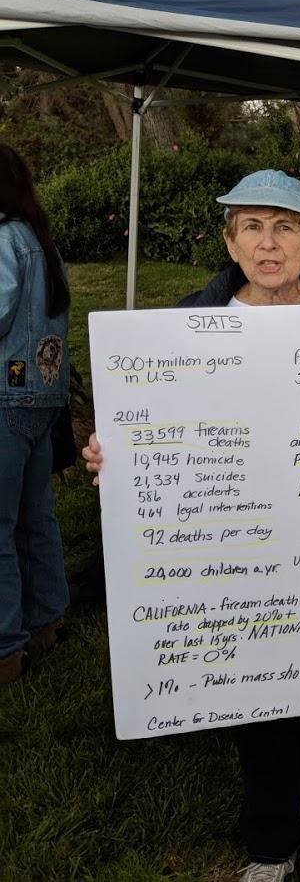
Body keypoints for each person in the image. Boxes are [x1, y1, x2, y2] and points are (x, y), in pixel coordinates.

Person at [84, 170, 300, 882]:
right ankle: (270, 842)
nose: (269, 243)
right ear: (230, 241)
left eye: (285, 227)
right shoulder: (179, 330)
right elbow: (155, 431)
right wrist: (113, 454)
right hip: (236, 553)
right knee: (254, 699)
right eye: (252, 227)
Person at [0, 144, 71, 685]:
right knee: (33, 516)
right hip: (43, 398)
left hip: (6, 395)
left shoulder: (3, 239)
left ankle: (6, 647)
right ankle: (47, 618)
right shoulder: (38, 240)